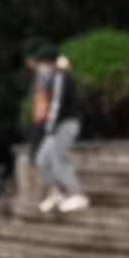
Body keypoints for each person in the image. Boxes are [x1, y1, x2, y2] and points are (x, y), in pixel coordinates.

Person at [30, 46, 88, 215]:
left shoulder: (61, 76)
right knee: (41, 160)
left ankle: (77, 193)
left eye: (39, 65)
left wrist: (50, 126)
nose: (38, 70)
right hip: (54, 127)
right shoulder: (55, 77)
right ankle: (57, 192)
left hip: (64, 124)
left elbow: (57, 104)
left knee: (58, 158)